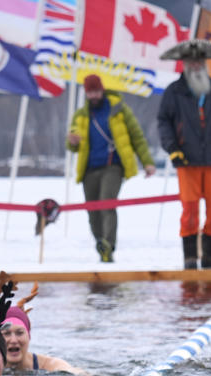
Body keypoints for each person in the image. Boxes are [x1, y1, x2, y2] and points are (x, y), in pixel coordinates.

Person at [157, 41, 211, 270]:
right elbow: (164, 122)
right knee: (189, 209)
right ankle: (190, 256)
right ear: (184, 64)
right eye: (191, 61)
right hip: (187, 159)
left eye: (199, 61)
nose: (196, 65)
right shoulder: (174, 91)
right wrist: (173, 148)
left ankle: (210, 254)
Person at [66, 74, 156, 263]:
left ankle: (108, 244)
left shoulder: (119, 110)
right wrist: (72, 141)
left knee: (107, 203)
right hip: (89, 168)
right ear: (86, 93)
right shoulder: (81, 115)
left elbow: (137, 137)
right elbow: (73, 145)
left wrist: (147, 162)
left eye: (97, 91)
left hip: (112, 166)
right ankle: (100, 244)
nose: (94, 96)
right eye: (90, 93)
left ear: (103, 89)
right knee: (92, 210)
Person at [0, 283, 85, 374]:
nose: (13, 340)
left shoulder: (50, 365)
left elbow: (79, 375)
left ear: (29, 336)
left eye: (19, 333)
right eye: (6, 333)